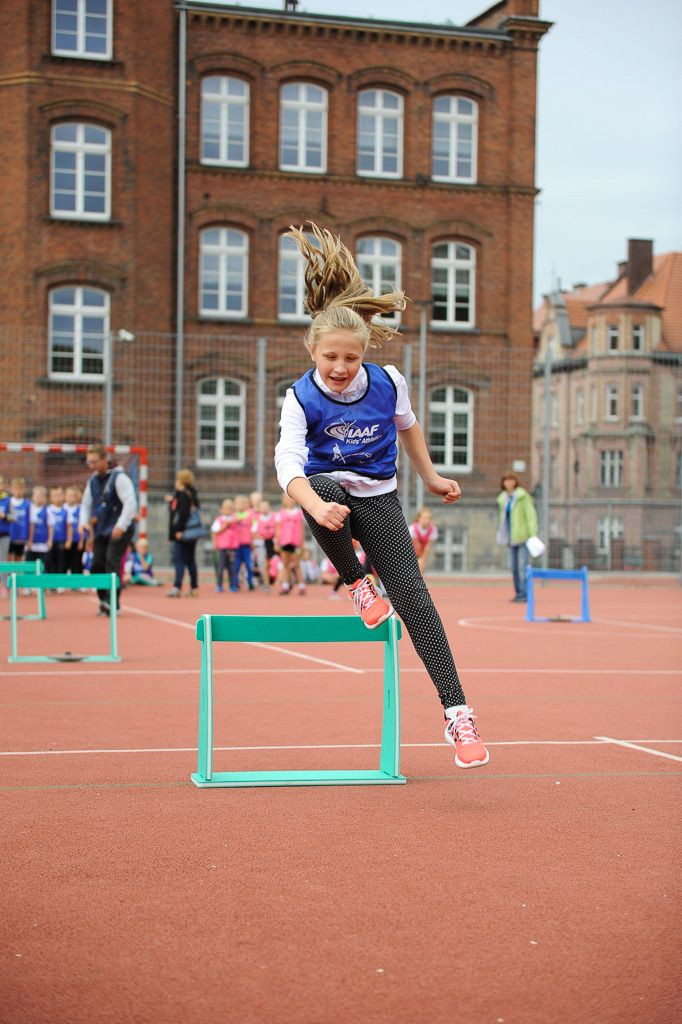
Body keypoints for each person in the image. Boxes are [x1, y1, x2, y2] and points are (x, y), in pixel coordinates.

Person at [274, 222, 488, 769]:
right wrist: (316, 506)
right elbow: (287, 463)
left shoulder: (389, 380)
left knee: (417, 600)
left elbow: (409, 426)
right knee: (321, 486)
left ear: (364, 352)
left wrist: (433, 477)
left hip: (381, 499)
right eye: (330, 360)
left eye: (350, 358)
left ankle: (458, 715)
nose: (342, 370)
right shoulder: (299, 398)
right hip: (329, 502)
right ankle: (356, 584)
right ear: (312, 351)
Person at [80, 445, 138, 615]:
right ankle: (102, 599)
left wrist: (121, 525)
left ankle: (112, 601)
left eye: (94, 462)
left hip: (120, 528)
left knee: (112, 562)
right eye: (88, 462)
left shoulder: (119, 477)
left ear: (105, 459)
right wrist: (83, 522)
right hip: (101, 529)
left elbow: (130, 503)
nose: (91, 465)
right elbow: (86, 503)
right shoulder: (93, 480)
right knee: (97, 563)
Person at [496, 473, 539, 603]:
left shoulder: (522, 496)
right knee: (514, 567)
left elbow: (530, 514)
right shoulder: (503, 498)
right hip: (510, 537)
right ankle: (518, 592)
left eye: (511, 480)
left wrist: (532, 533)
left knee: (522, 566)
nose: (508, 483)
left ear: (515, 482)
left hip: (522, 536)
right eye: (506, 481)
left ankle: (525, 593)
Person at [166, 468, 201, 597]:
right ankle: (194, 587)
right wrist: (172, 501)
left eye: (177, 479)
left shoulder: (183, 495)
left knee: (179, 559)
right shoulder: (191, 493)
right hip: (192, 532)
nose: (175, 482)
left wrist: (179, 531)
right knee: (190, 559)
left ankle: (177, 586)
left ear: (182, 481)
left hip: (183, 532)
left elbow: (183, 514)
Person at [275, 493, 306, 596]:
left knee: (297, 564)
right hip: (284, 542)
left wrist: (302, 543)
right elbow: (278, 529)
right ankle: (286, 585)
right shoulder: (281, 513)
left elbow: (302, 529)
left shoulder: (298, 513)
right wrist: (277, 542)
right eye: (287, 499)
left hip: (295, 542)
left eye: (291, 499)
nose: (289, 501)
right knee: (285, 564)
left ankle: (301, 586)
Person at [211, 498, 238, 593]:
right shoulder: (219, 520)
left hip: (232, 548)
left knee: (232, 568)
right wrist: (215, 543)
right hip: (222, 548)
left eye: (230, 508)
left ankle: (232, 585)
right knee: (220, 567)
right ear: (221, 509)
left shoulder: (235, 519)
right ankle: (219, 585)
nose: (228, 510)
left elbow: (242, 518)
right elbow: (215, 532)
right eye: (226, 508)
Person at [46, 485, 68, 574]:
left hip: (61, 540)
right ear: (50, 498)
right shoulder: (48, 510)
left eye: (59, 495)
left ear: (63, 496)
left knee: (61, 560)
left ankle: (60, 582)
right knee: (50, 560)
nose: (57, 497)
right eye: (55, 495)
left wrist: (69, 540)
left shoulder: (66, 510)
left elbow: (69, 527)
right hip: (50, 541)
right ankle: (50, 582)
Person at [409, 507, 438, 573]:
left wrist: (423, 560)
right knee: (417, 567)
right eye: (424, 518)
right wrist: (418, 560)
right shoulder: (413, 528)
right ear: (419, 518)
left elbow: (428, 546)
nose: (427, 520)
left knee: (421, 567)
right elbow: (416, 546)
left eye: (429, 518)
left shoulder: (432, 529)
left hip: (422, 551)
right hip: (411, 551)